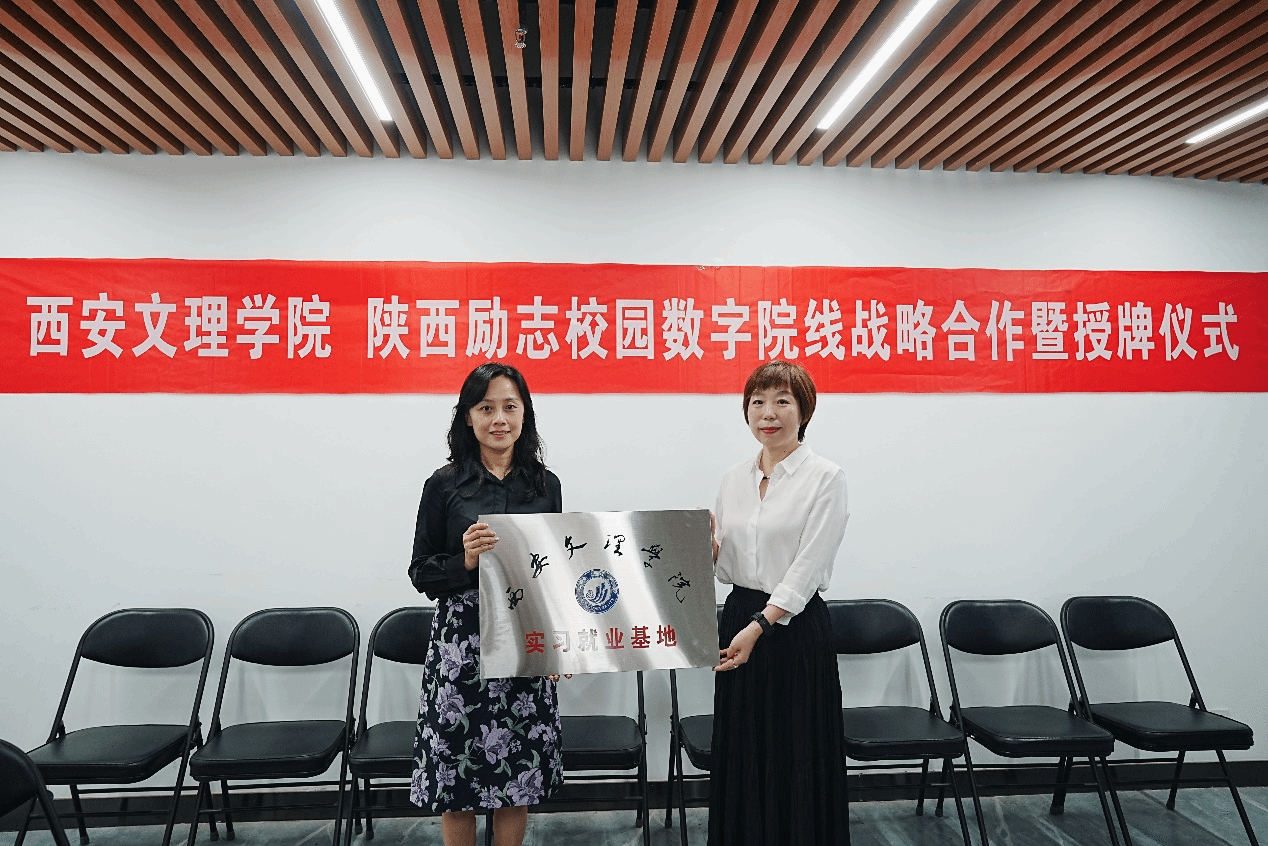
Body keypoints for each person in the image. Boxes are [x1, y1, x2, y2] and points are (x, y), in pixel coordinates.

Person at [409, 363, 564, 846]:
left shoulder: (546, 485)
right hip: (462, 646)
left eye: (510, 407)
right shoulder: (443, 484)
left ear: (525, 414)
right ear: (468, 417)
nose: (499, 419)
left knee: (517, 777)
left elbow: (553, 574)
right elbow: (421, 572)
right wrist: (466, 561)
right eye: (486, 408)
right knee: (456, 783)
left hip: (524, 637)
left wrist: (557, 646)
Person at [709, 360, 850, 846]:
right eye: (757, 402)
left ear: (803, 411)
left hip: (792, 627)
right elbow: (727, 564)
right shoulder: (733, 478)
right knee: (743, 747)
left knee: (795, 750)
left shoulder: (826, 478)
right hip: (739, 617)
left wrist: (761, 626)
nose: (768, 413)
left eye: (782, 401)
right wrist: (704, 553)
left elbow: (807, 568)